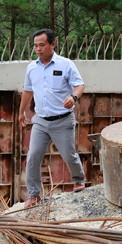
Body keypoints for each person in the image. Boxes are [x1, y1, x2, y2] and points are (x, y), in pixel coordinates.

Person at [19, 29, 86, 206]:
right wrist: (21, 112)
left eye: (42, 45)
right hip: (40, 121)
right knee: (33, 156)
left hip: (62, 120)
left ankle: (78, 180)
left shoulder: (65, 64)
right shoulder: (31, 68)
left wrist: (73, 97)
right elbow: (27, 91)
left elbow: (79, 85)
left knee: (69, 155)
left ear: (52, 44)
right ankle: (33, 194)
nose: (38, 49)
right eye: (35, 46)